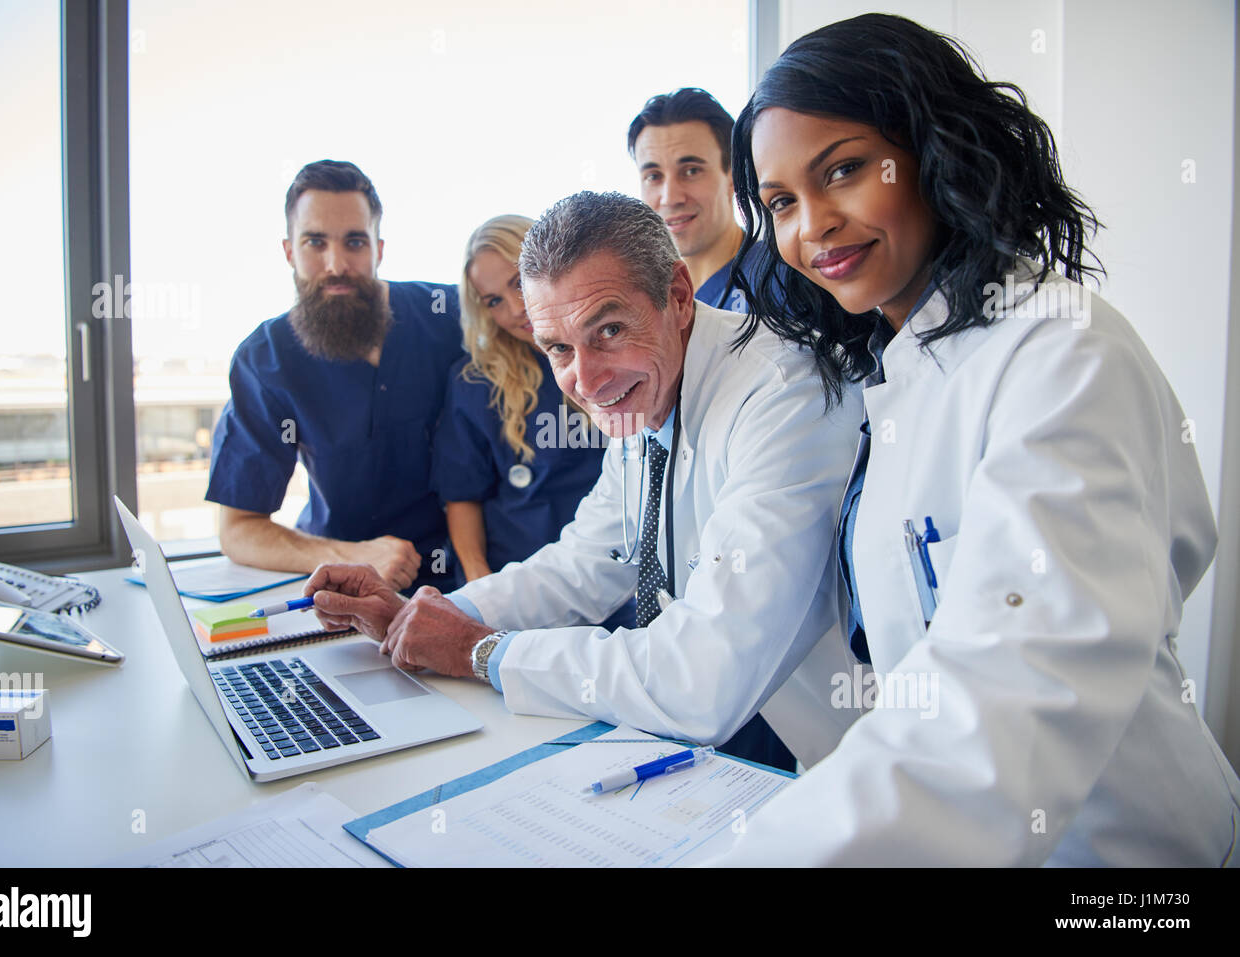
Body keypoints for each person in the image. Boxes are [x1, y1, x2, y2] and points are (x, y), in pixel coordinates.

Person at [711, 13, 1240, 865]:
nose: (811, 226)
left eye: (843, 170)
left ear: (934, 148)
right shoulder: (893, 373)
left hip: (1128, 857)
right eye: (780, 203)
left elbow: (1004, 695)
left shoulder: (1063, 352)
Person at [303, 191, 863, 770]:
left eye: (610, 330)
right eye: (558, 348)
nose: (586, 382)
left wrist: (482, 652)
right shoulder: (642, 395)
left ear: (677, 294)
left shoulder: (784, 392)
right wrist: (423, 616)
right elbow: (583, 565)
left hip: (879, 775)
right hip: (809, 760)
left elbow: (704, 678)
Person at [206, 160, 462, 593]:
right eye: (315, 242)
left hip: (473, 579)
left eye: (355, 242)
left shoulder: (450, 317)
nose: (336, 263)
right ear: (289, 251)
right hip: (346, 584)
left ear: (379, 248)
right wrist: (352, 556)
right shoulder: (266, 359)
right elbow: (238, 529)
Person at [432, 214, 634, 629]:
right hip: (517, 588)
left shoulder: (614, 356)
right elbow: (462, 496)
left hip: (613, 581)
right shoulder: (476, 382)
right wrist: (479, 589)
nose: (513, 309)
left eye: (517, 283)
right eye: (492, 301)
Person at [628, 87, 772, 312]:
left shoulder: (782, 283)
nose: (670, 198)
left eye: (691, 171)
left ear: (734, 175)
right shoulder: (642, 303)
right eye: (653, 176)